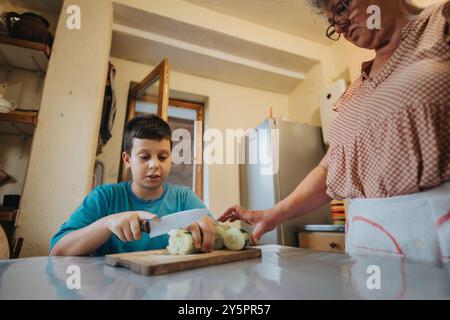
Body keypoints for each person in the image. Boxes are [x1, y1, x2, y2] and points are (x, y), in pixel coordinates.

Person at [219, 0, 450, 264]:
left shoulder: (442, 21)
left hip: (438, 239)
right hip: (369, 251)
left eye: (341, 9)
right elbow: (328, 171)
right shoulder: (354, 92)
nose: (340, 28)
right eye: (332, 24)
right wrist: (274, 214)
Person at [50, 115, 216, 256]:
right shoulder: (104, 197)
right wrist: (107, 223)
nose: (154, 165)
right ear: (127, 159)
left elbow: (217, 236)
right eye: (144, 157)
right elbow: (58, 251)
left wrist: (206, 228)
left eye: (163, 157)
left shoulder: (184, 197)